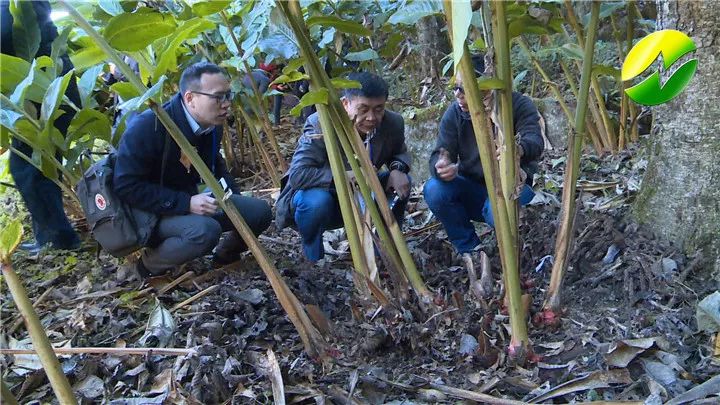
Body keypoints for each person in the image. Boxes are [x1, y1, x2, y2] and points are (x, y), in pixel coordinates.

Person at [113, 62, 272, 276]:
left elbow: (217, 165)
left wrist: (233, 197)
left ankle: (225, 256)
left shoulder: (211, 123)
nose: (226, 105)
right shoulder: (149, 127)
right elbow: (125, 185)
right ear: (190, 98)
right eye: (218, 97)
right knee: (205, 231)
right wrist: (185, 203)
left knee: (258, 212)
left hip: (191, 200)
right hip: (151, 214)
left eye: (228, 95)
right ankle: (147, 266)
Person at [275, 72, 412, 263]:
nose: (371, 117)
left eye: (378, 109)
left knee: (403, 182)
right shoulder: (320, 123)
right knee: (315, 202)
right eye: (363, 109)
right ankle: (313, 258)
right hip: (327, 199)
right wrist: (344, 176)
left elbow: (399, 151)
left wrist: (398, 169)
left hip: (365, 195)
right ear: (345, 103)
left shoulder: (393, 122)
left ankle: (386, 249)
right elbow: (298, 175)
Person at [423, 55, 544, 259]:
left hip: (512, 187)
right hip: (472, 188)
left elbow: (535, 140)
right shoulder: (454, 114)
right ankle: (470, 250)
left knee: (499, 214)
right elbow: (440, 153)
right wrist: (441, 166)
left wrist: (516, 150)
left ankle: (515, 256)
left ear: (486, 87)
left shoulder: (516, 105)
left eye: (465, 88)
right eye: (456, 88)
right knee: (434, 189)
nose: (458, 95)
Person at [1, 0, 81, 253]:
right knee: (36, 166)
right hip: (44, 91)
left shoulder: (12, 6)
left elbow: (5, 32)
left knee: (31, 168)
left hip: (45, 95)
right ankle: (49, 235)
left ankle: (58, 240)